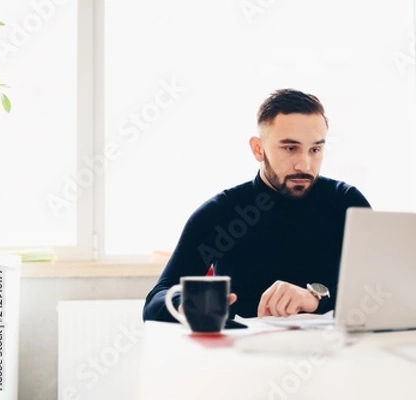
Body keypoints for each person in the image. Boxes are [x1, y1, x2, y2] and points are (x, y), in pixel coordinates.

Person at [143, 88, 371, 322]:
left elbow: (380, 290)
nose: (304, 164)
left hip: (335, 353)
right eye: (290, 148)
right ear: (258, 148)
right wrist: (189, 304)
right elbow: (156, 301)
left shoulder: (347, 203)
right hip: (244, 354)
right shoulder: (222, 212)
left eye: (315, 149)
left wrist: (315, 298)